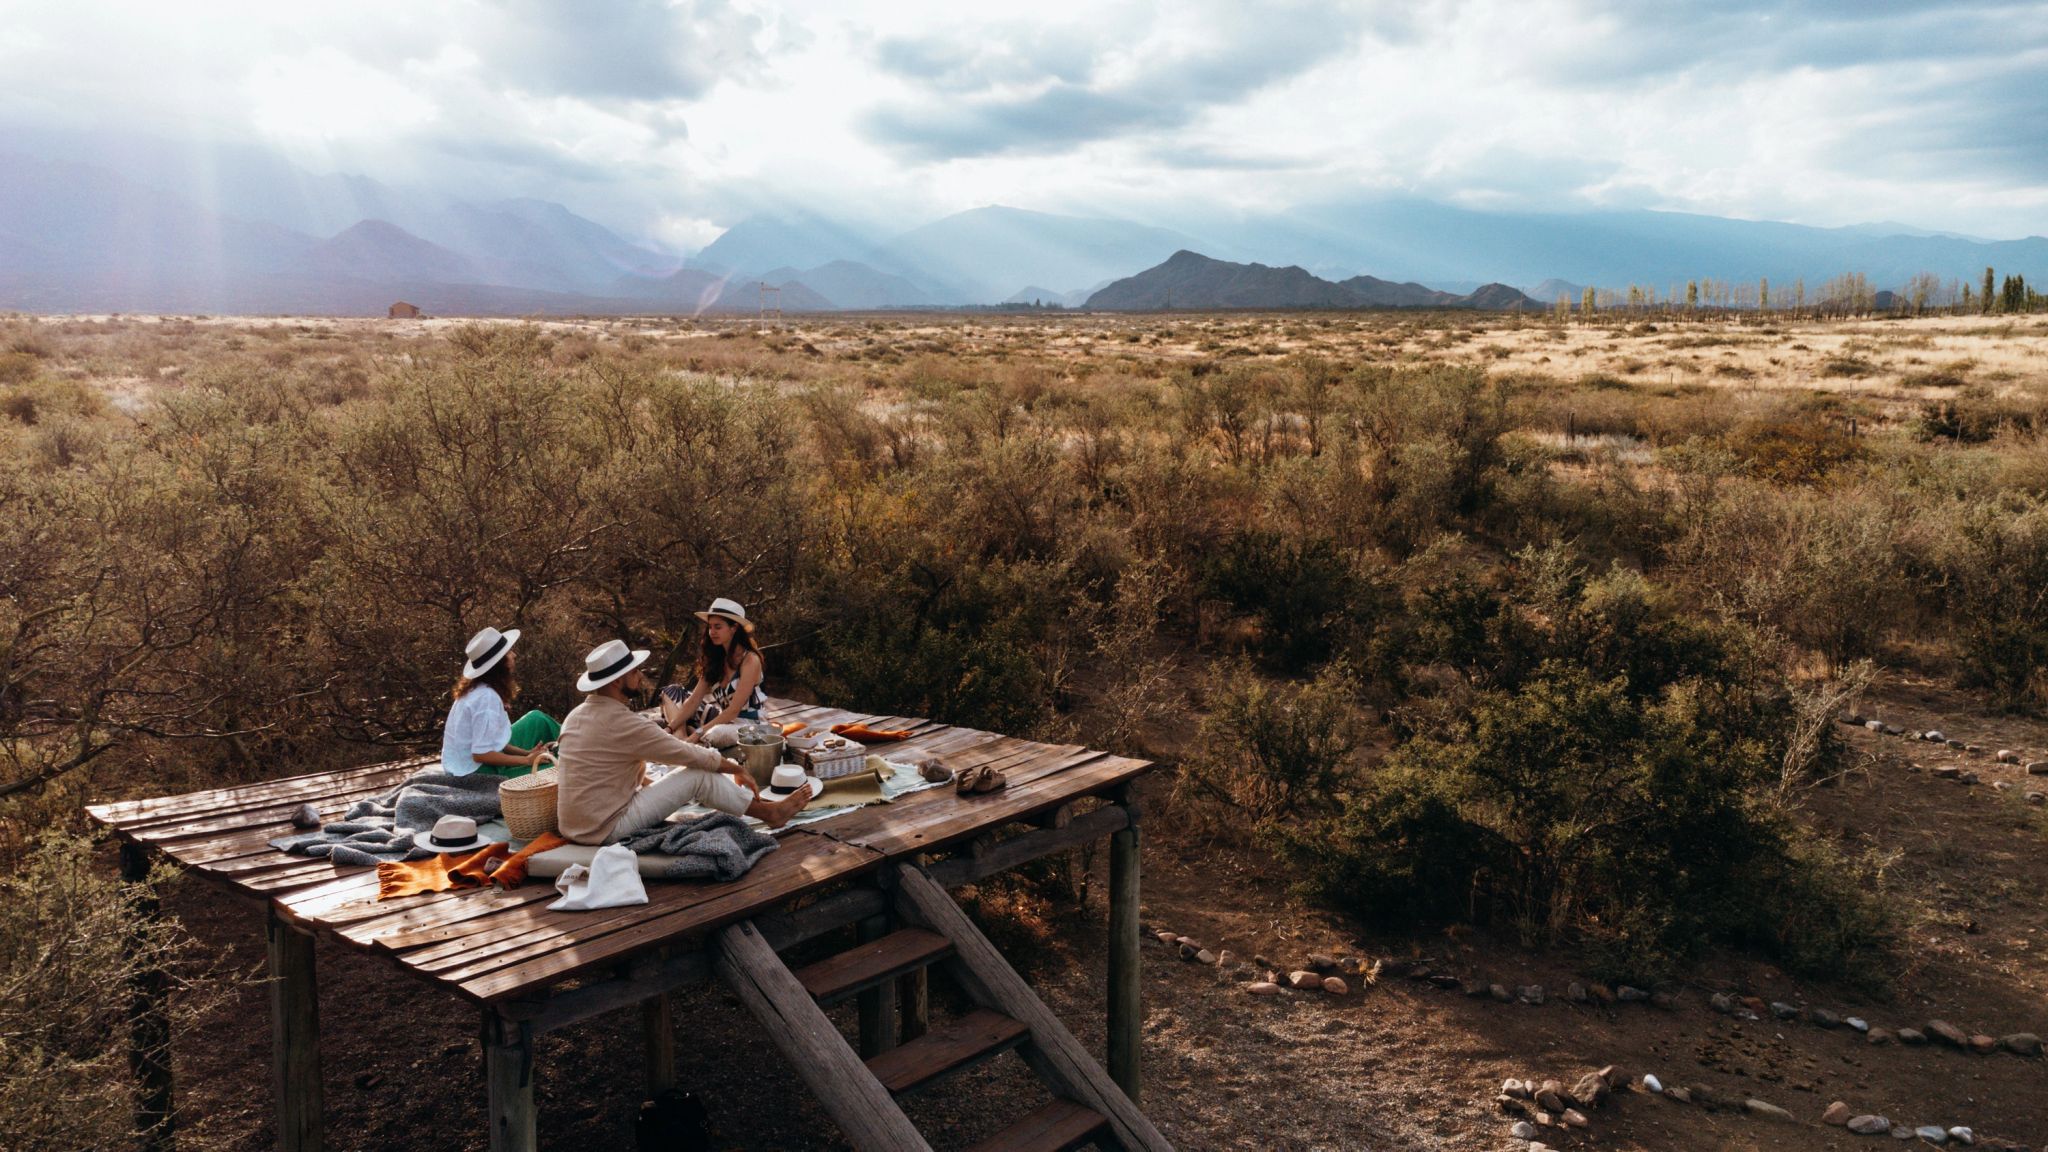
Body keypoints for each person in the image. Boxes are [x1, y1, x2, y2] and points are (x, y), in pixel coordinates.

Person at [555, 639, 810, 846]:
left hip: (575, 827)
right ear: (617, 681)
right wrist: (738, 769)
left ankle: (760, 807)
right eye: (635, 672)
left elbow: (607, 768)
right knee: (698, 774)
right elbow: (688, 754)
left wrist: (657, 787)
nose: (641, 676)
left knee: (687, 775)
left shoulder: (574, 716)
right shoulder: (622, 722)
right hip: (604, 829)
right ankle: (770, 814)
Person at [441, 626, 558, 779]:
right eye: (509, 652)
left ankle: (571, 743)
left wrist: (528, 753)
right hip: (476, 772)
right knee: (558, 767)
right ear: (500, 663)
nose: (514, 655)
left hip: (464, 765)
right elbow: (481, 754)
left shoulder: (476, 689)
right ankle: (579, 746)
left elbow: (492, 741)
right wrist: (527, 761)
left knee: (537, 718)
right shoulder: (486, 698)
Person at [661, 597, 769, 743]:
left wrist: (698, 733)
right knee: (672, 691)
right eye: (710, 627)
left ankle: (691, 738)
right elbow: (694, 700)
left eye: (718, 627)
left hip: (749, 726)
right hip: (723, 720)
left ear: (734, 628)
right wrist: (668, 729)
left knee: (715, 733)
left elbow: (733, 711)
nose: (712, 632)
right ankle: (681, 737)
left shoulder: (750, 660)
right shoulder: (715, 659)